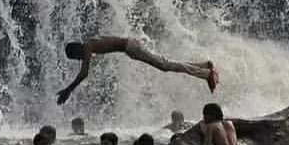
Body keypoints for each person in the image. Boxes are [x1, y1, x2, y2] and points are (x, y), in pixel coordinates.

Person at [56, 36, 218, 105]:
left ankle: (206, 74)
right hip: (131, 47)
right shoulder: (90, 43)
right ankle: (204, 65)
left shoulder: (88, 46)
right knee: (165, 64)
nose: (80, 60)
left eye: (76, 57)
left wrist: (68, 90)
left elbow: (84, 73)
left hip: (131, 47)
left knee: (165, 66)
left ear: (77, 51)